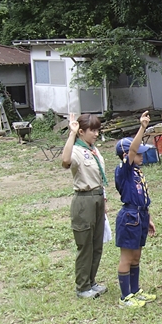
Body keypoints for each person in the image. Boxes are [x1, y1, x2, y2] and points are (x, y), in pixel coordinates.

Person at [61, 113, 108, 299]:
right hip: (84, 200)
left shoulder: (93, 149)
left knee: (97, 244)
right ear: (82, 132)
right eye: (93, 130)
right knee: (85, 245)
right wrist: (71, 135)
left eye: (98, 130)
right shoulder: (77, 150)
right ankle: (82, 286)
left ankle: (91, 281)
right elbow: (65, 162)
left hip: (97, 197)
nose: (96, 133)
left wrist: (104, 200)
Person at [114, 111, 157, 308]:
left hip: (140, 215)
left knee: (137, 255)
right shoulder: (124, 170)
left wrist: (148, 218)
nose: (141, 155)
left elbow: (142, 198)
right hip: (129, 216)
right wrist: (142, 127)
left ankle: (135, 290)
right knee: (127, 256)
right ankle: (125, 297)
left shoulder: (138, 172)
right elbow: (131, 151)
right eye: (138, 152)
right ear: (127, 155)